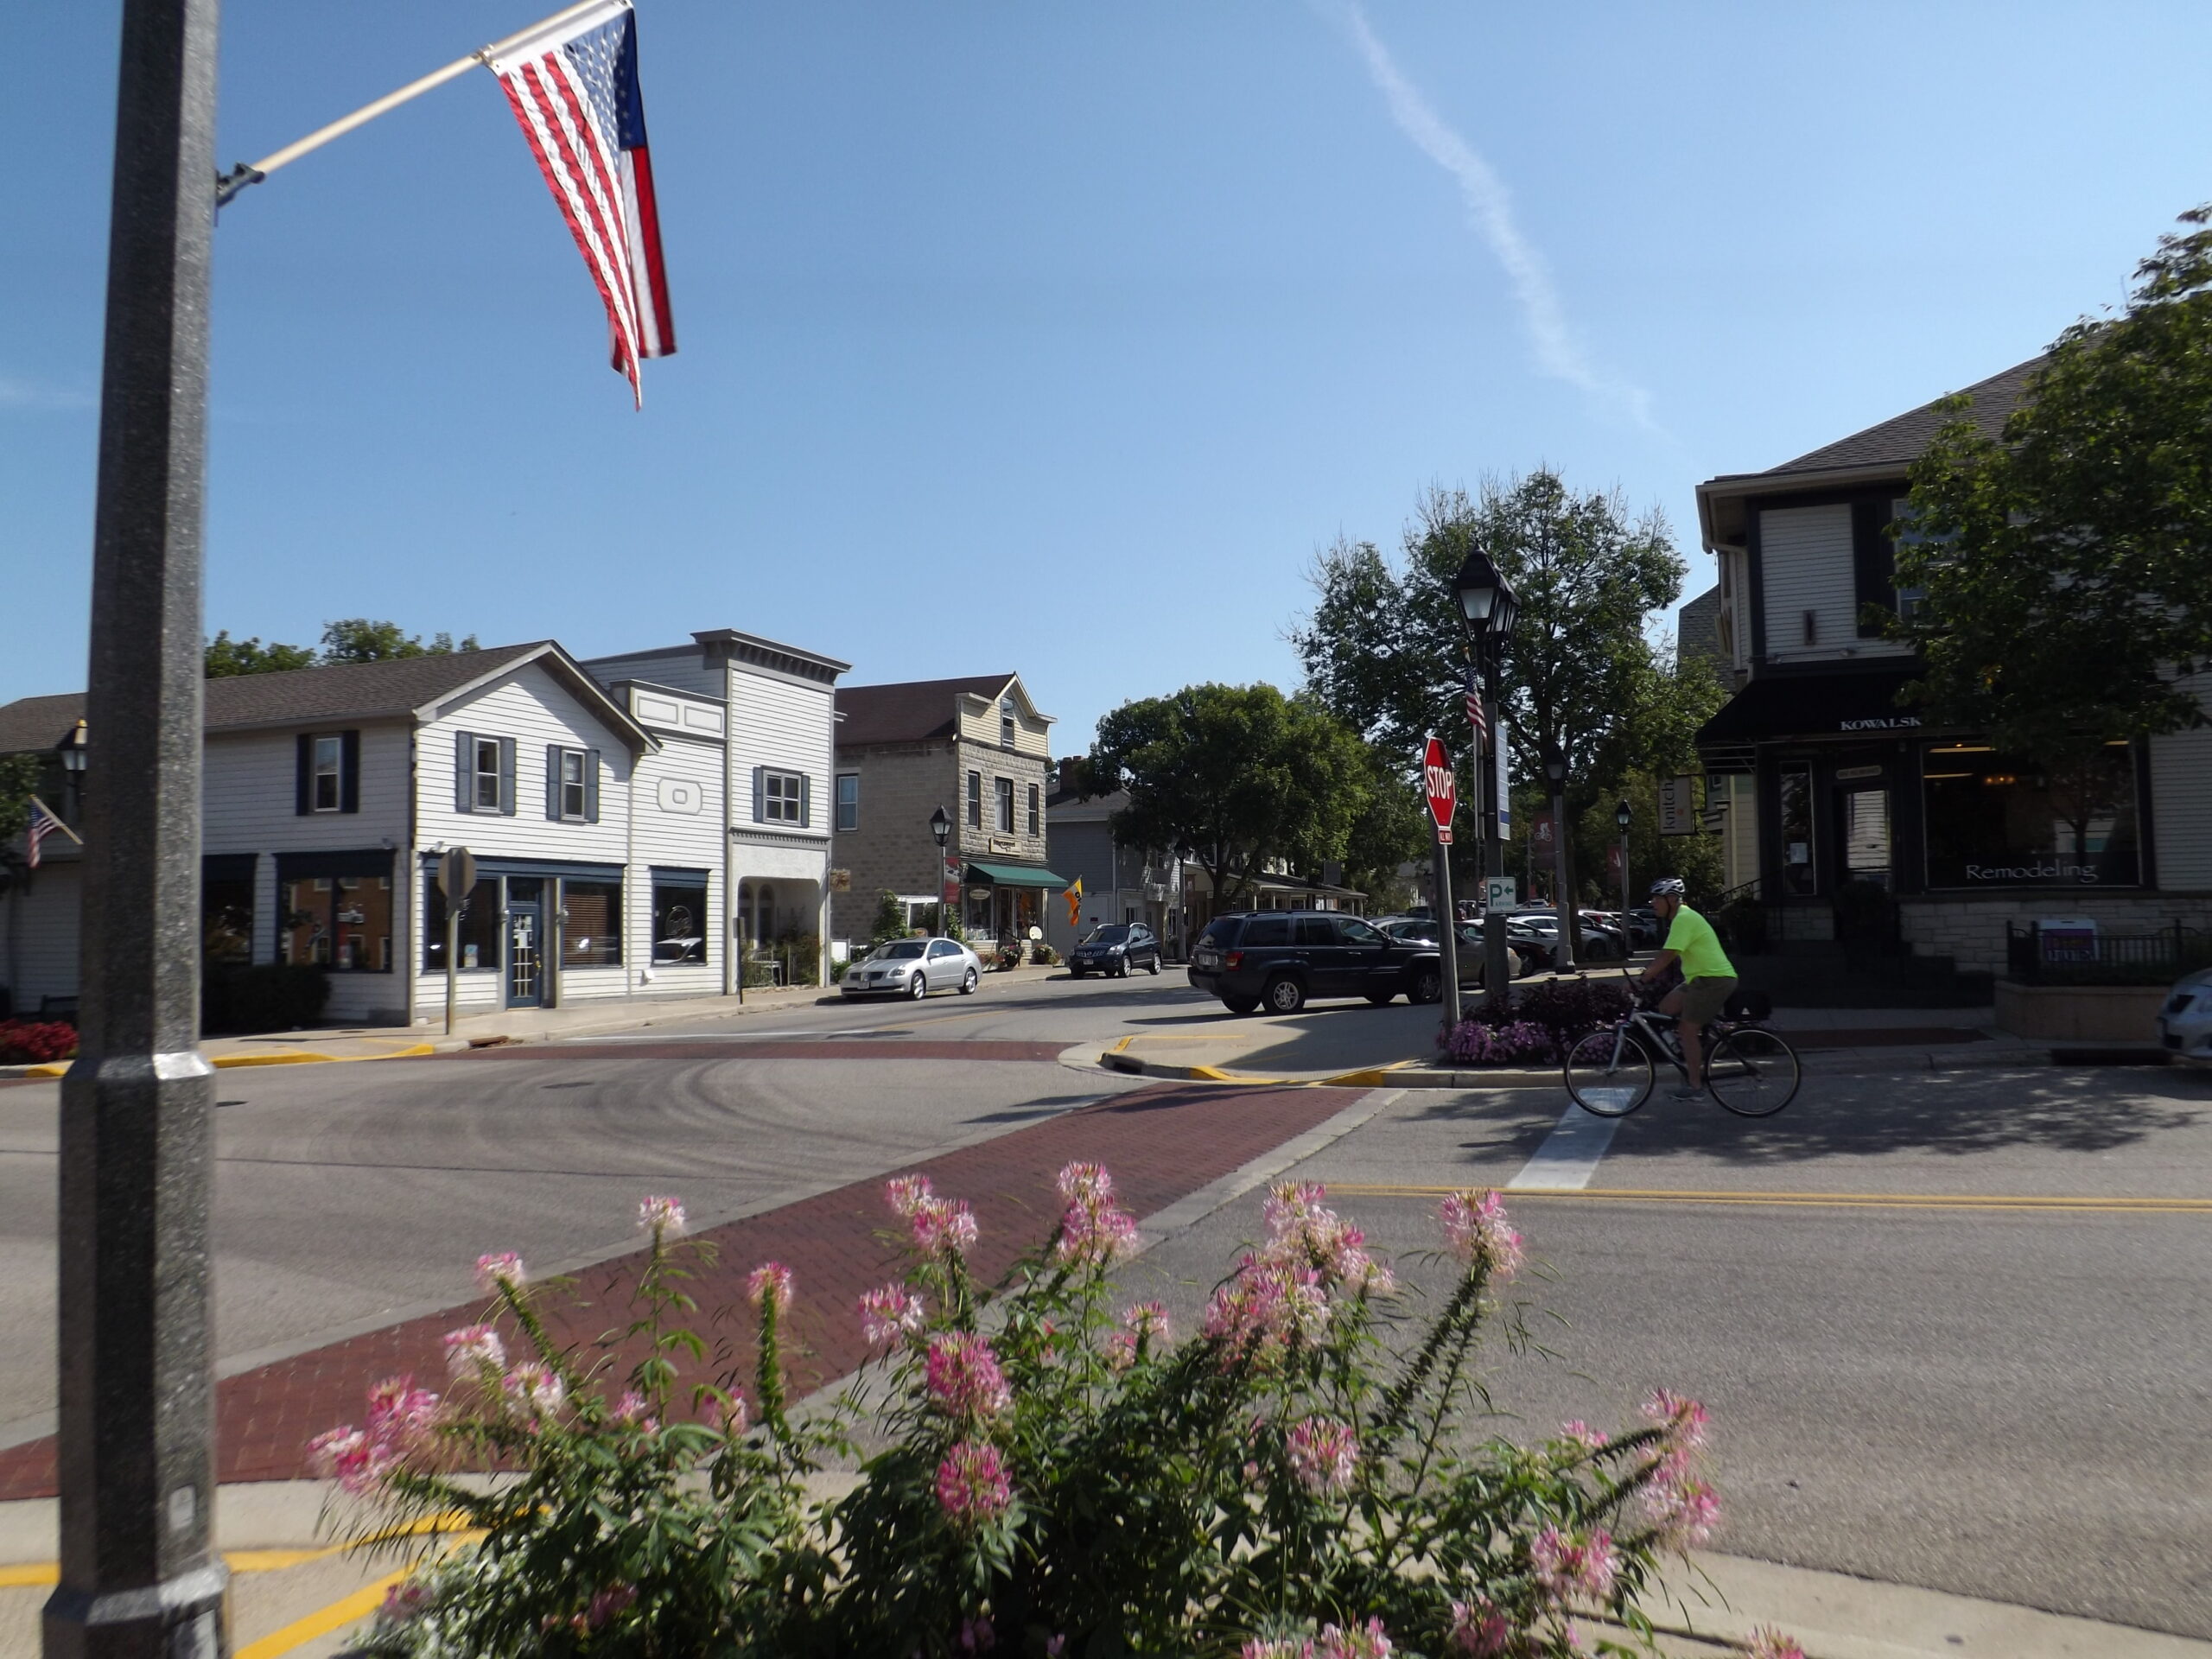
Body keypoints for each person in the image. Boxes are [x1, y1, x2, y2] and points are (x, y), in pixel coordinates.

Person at [1637, 877, 1738, 1099]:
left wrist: (1643, 979)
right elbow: (1667, 956)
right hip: (1698, 979)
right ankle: (1704, 1046)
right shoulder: (1682, 918)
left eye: (1656, 898)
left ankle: (1695, 1087)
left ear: (1671, 899)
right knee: (1664, 1008)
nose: (1653, 903)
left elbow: (1667, 955)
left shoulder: (1684, 919)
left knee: (1687, 1030)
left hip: (1713, 979)